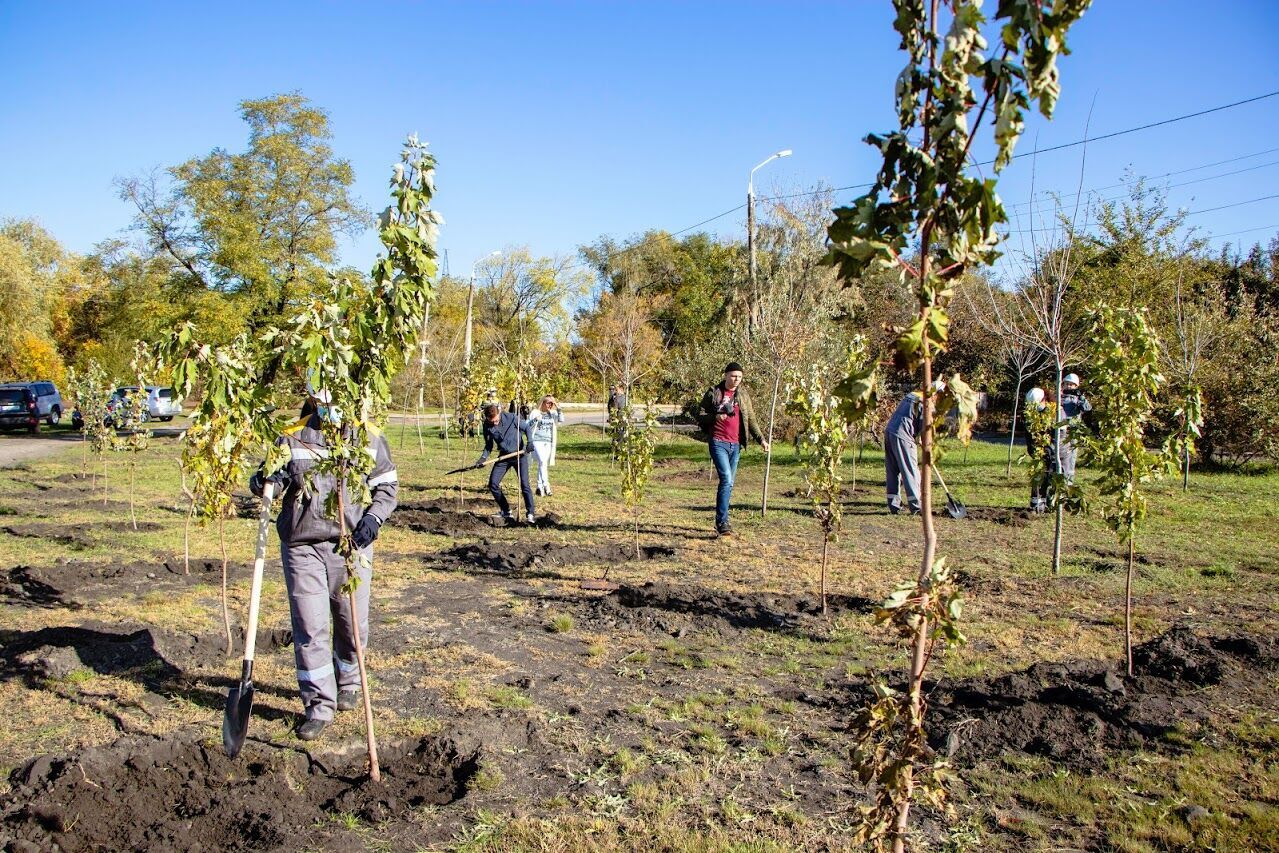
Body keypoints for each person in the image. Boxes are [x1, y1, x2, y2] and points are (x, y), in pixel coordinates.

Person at [248, 387, 397, 742]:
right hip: (302, 547)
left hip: (350, 546)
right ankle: (318, 706)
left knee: (350, 623)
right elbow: (267, 477)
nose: (330, 412)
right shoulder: (292, 436)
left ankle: (348, 681)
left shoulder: (368, 436)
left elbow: (387, 486)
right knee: (309, 626)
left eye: (336, 405)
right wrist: (265, 481)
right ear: (314, 402)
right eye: (323, 405)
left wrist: (373, 520)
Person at [697, 362, 768, 536]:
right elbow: (700, 415)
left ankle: (722, 521)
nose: (736, 380)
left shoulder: (742, 395)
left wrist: (762, 440)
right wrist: (716, 417)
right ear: (726, 375)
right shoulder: (714, 393)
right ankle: (722, 522)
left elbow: (751, 419)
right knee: (727, 479)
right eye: (733, 376)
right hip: (718, 442)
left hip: (735, 444)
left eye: (740, 377)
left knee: (728, 484)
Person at [476, 402, 535, 524]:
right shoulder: (487, 425)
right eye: (492, 422)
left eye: (496, 420)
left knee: (525, 485)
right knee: (493, 484)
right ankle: (506, 510)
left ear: (499, 413)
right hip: (504, 456)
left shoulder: (511, 418)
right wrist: (483, 458)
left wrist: (530, 443)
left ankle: (530, 513)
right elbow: (488, 446)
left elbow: (527, 428)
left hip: (519, 455)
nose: (495, 423)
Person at [884, 389, 925, 515]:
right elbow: (925, 429)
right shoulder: (925, 403)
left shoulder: (912, 395)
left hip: (890, 431)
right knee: (910, 470)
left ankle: (894, 505)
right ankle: (916, 506)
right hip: (903, 436)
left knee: (893, 470)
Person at [1056, 373, 1092, 482]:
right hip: (1060, 431)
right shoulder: (1059, 397)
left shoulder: (1077, 398)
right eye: (1066, 384)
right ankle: (1057, 476)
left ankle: (1068, 481)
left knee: (1071, 457)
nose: (1068, 387)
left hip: (1072, 431)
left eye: (1071, 385)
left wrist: (1081, 397)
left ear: (1076, 386)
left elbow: (1087, 409)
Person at [1023, 386, 1053, 513]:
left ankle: (1046, 500)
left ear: (1044, 400)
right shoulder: (1029, 414)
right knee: (1037, 474)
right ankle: (1035, 501)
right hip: (1036, 449)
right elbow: (1028, 433)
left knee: (1048, 475)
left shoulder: (1052, 411)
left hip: (1050, 448)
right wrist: (1032, 448)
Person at [528, 395, 564, 497]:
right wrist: (535, 420)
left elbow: (561, 419)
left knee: (542, 464)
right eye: (548, 403)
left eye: (551, 403)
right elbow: (527, 425)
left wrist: (557, 406)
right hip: (537, 441)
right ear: (542, 402)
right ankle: (546, 486)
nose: (550, 405)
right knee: (543, 461)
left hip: (548, 442)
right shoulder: (535, 412)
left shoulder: (552, 414)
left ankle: (539, 487)